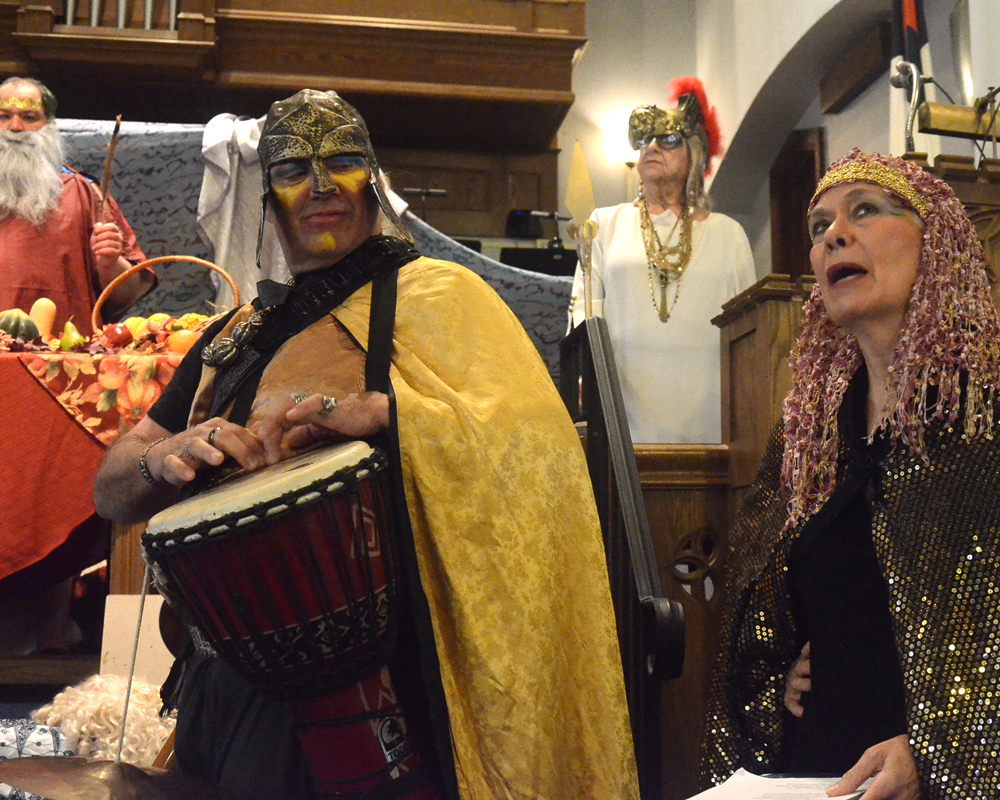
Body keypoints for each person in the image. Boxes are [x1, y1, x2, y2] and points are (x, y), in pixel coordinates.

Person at [93, 89, 637, 800]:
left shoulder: (442, 296)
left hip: (386, 687)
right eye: (295, 170)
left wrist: (393, 414)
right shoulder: (233, 335)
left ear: (374, 182)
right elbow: (110, 488)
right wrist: (158, 458)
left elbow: (538, 452)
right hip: (220, 683)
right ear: (267, 198)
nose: (321, 186)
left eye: (343, 162)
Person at [701, 150, 1000, 799]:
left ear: (937, 241)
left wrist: (939, 749)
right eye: (819, 227)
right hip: (817, 770)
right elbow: (762, 619)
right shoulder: (808, 434)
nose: (833, 235)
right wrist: (778, 672)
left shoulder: (986, 413)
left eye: (864, 211)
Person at [568, 77, 755, 444]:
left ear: (694, 154)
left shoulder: (728, 234)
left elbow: (748, 331)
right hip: (624, 399)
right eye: (644, 141)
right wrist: (584, 376)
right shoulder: (603, 224)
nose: (651, 147)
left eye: (667, 139)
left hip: (708, 406)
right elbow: (584, 309)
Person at [0, 77, 151, 336]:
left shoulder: (85, 192)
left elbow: (127, 292)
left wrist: (111, 264)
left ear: (49, 125)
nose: (14, 127)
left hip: (63, 351)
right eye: (3, 116)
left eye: (29, 117)